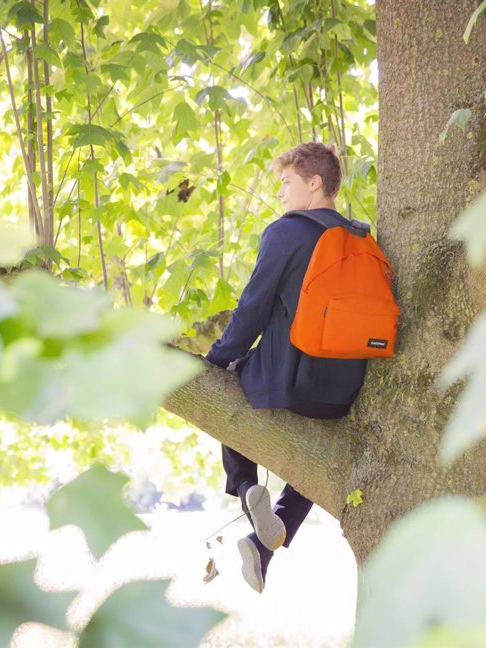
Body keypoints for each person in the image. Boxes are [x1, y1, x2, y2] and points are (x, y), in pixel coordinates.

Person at [204, 142, 368, 593]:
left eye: (286, 182)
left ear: (315, 183)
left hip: (287, 380)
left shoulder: (286, 234)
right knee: (317, 459)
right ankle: (266, 538)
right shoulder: (362, 238)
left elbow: (252, 310)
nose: (280, 192)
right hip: (343, 391)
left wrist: (216, 361)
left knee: (229, 379)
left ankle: (244, 486)